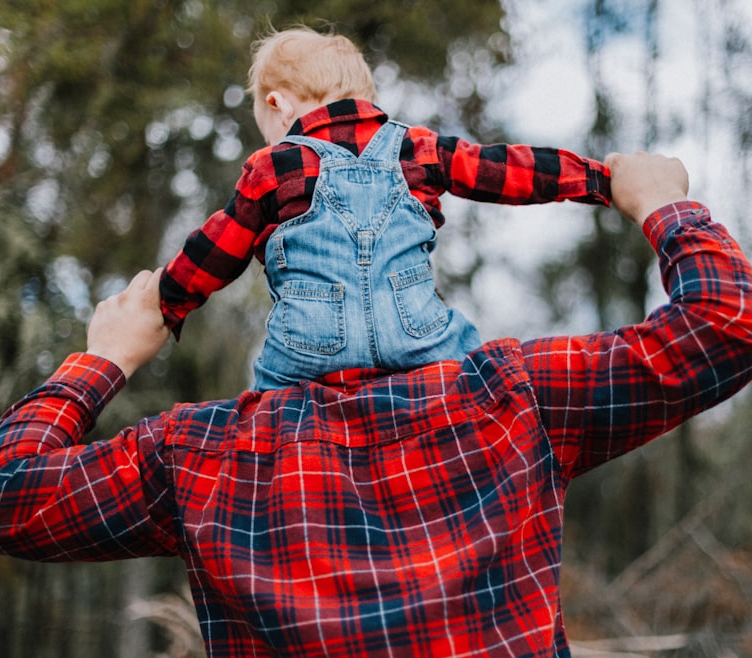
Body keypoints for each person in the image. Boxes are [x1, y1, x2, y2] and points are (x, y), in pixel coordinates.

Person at [0, 152, 752, 658]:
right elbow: (731, 325)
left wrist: (104, 359)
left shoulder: (202, 454)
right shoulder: (513, 396)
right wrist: (655, 202)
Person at [160, 26, 614, 390]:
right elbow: (507, 170)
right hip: (424, 346)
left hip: (305, 358)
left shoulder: (272, 167)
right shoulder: (416, 149)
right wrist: (595, 178)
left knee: (261, 419)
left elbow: (214, 251)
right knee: (487, 383)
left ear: (278, 105)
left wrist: (166, 301)